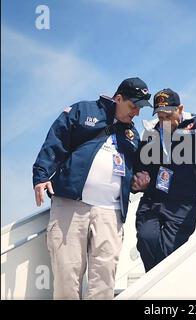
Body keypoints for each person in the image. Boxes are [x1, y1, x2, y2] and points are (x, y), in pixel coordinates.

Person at [32, 77, 152, 299]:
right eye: (133, 105)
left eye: (140, 108)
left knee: (105, 277)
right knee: (67, 274)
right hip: (71, 206)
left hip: (110, 212)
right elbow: (55, 141)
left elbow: (133, 172)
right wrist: (41, 176)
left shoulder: (133, 135)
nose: (136, 112)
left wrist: (138, 183)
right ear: (118, 98)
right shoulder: (83, 110)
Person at [131, 88, 196, 272]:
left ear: (180, 109)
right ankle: (154, 286)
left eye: (168, 116)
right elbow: (139, 165)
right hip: (153, 200)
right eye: (160, 117)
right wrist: (139, 179)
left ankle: (158, 291)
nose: (164, 122)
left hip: (183, 204)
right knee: (146, 239)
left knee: (169, 255)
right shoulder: (150, 132)